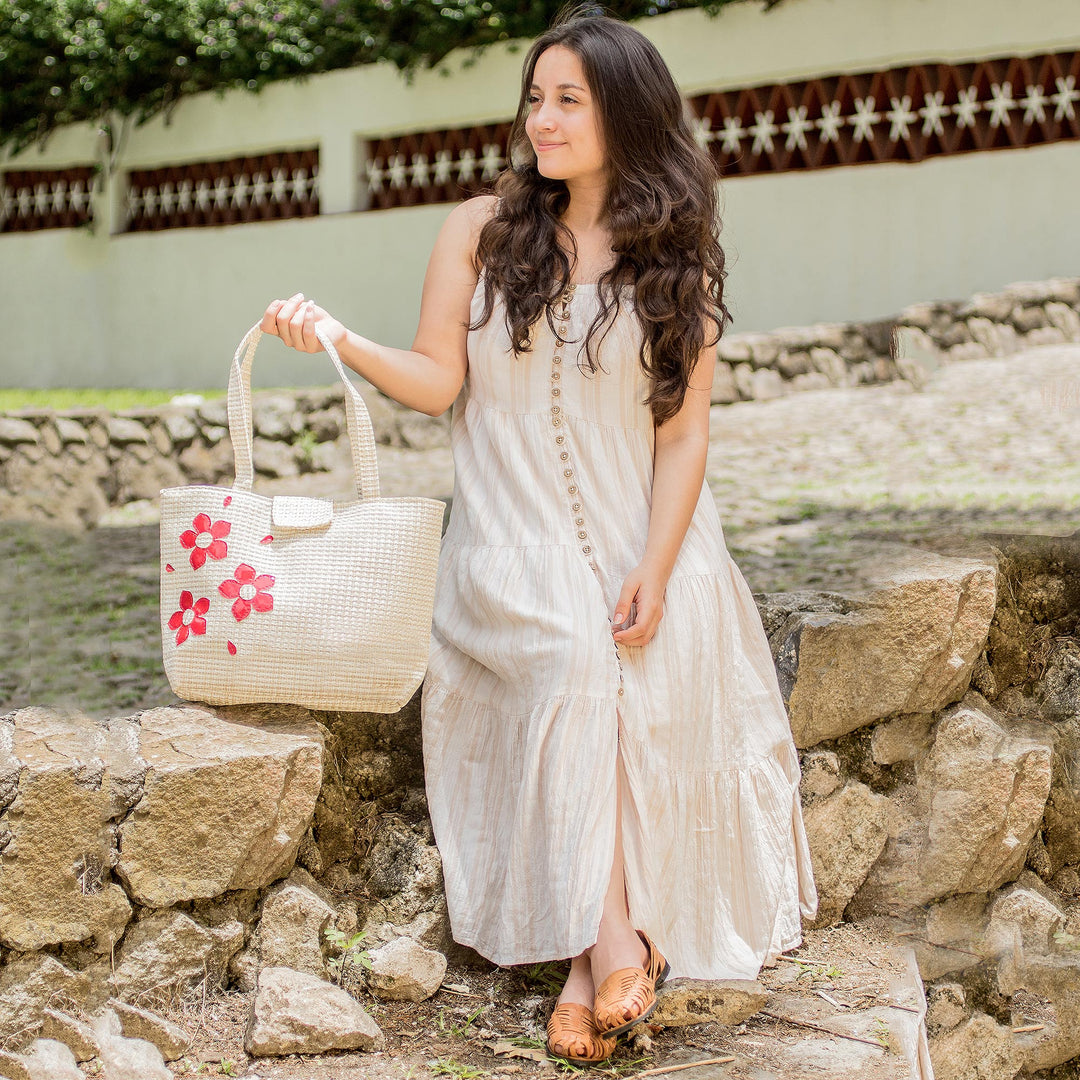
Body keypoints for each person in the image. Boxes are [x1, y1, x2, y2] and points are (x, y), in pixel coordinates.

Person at [261, 6, 817, 1066]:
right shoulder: (479, 229)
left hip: (641, 543)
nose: (542, 119)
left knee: (616, 655)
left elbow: (686, 435)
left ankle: (585, 966)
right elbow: (436, 383)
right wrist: (338, 336)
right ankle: (619, 941)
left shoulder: (675, 258)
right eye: (535, 97)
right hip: (506, 551)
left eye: (570, 99)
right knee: (574, 659)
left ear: (629, 114)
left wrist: (656, 566)